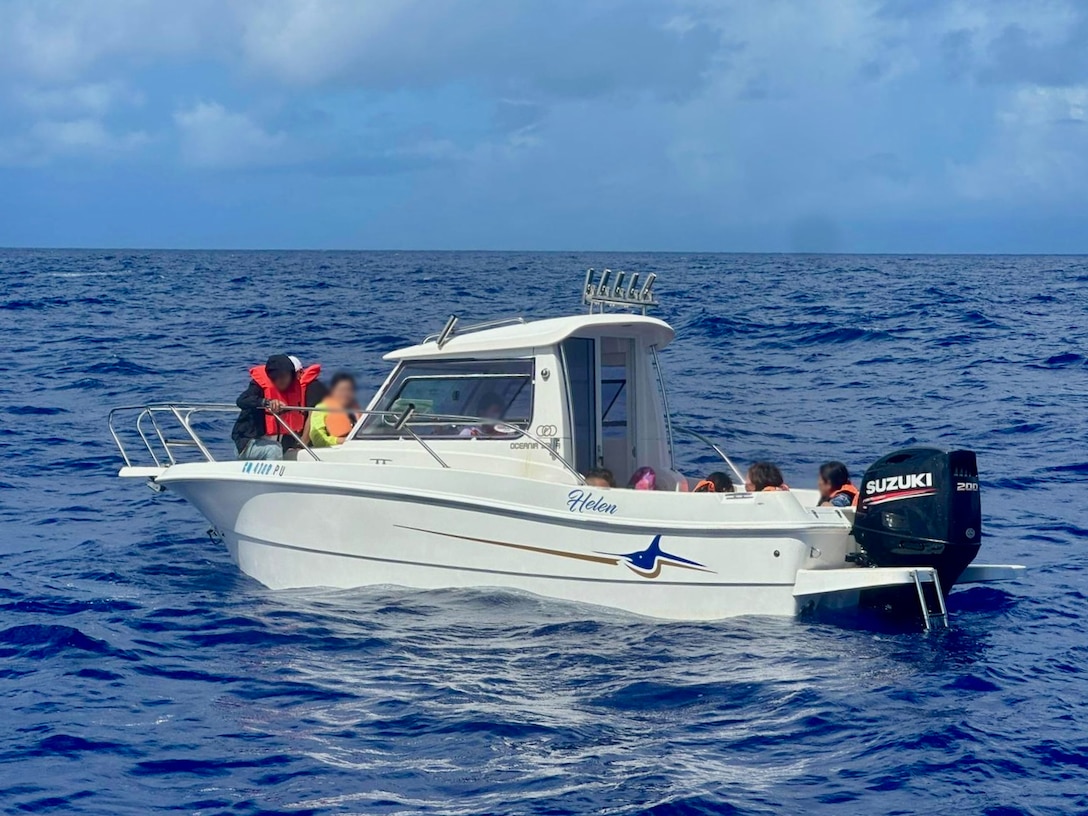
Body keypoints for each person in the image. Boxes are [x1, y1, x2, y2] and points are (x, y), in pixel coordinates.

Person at [232, 354, 321, 460]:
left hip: (277, 441)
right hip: (249, 445)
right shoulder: (258, 387)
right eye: (276, 377)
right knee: (274, 450)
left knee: (301, 450)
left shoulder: (294, 390)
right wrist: (265, 402)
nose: (281, 380)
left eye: (284, 376)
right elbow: (241, 401)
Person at [310, 373, 359, 448]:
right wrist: (341, 441)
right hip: (333, 450)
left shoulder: (354, 409)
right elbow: (317, 440)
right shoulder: (321, 409)